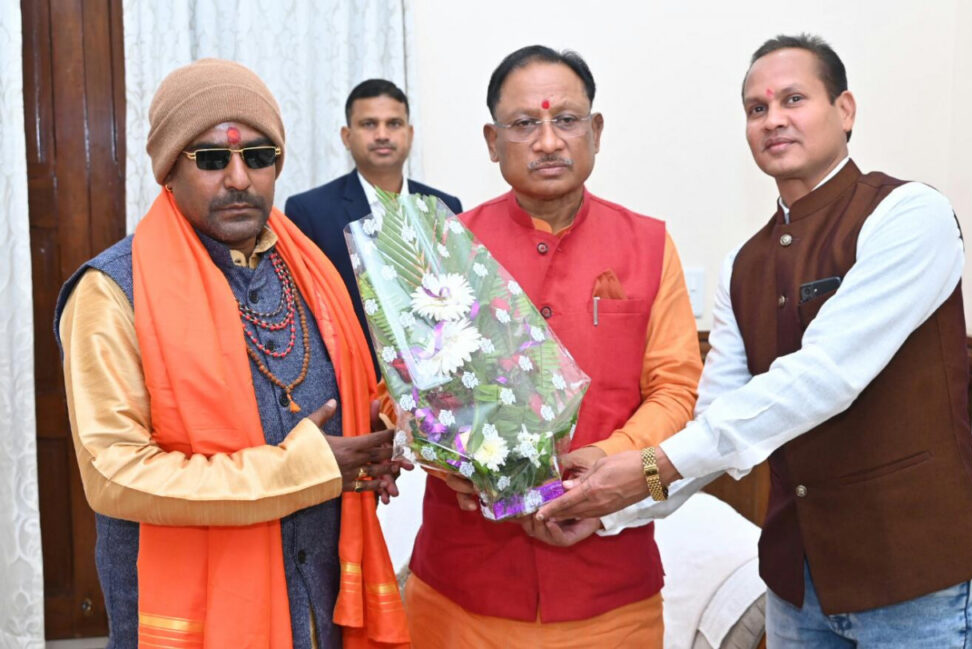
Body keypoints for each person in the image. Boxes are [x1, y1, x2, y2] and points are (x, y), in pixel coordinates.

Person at [538, 33, 972, 648]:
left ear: (845, 110)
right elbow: (717, 419)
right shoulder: (743, 262)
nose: (773, 119)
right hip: (795, 584)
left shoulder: (910, 215)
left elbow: (824, 377)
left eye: (793, 99)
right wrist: (608, 508)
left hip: (911, 575)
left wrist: (648, 466)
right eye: (757, 108)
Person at [55, 59, 411, 648]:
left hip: (319, 605)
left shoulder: (310, 269)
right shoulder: (111, 291)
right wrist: (302, 469)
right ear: (169, 170)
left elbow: (344, 395)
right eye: (212, 159)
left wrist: (371, 434)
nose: (240, 178)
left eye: (259, 156)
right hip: (194, 613)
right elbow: (115, 475)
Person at [402, 45, 704, 648]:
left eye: (566, 120)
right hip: (463, 591)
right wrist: (446, 456)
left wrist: (608, 467)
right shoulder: (445, 247)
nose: (547, 141)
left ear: (596, 132)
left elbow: (677, 390)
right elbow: (402, 392)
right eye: (524, 124)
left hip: (610, 594)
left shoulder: (648, 245)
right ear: (493, 142)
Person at [285, 79, 462, 369]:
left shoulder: (444, 206)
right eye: (369, 124)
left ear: (409, 133)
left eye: (393, 124)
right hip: (354, 375)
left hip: (439, 372)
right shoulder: (309, 211)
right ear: (346, 136)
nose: (382, 135)